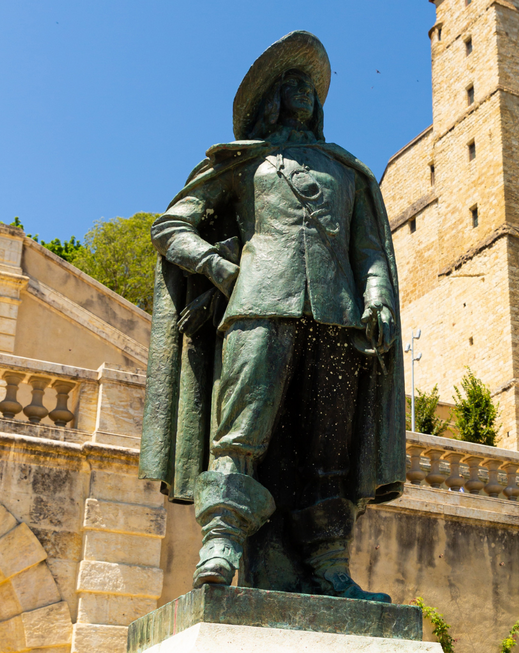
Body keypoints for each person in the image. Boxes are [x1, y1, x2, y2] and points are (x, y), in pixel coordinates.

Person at [139, 31, 405, 602]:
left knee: (327, 454)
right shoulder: (244, 163)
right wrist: (213, 265)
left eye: (310, 88)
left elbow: (370, 253)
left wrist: (378, 299)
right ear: (272, 101)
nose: (303, 95)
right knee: (239, 434)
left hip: (340, 321)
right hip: (257, 304)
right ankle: (220, 543)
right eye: (291, 86)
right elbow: (171, 228)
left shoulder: (347, 172)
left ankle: (329, 566)